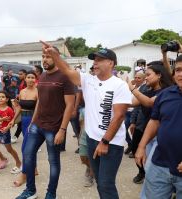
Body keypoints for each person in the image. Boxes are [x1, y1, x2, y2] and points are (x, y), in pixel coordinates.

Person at [41, 41, 131, 199]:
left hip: (111, 143)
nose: (95, 63)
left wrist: (105, 141)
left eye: (99, 60)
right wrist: (54, 54)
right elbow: (67, 69)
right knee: (99, 180)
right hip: (91, 139)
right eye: (94, 60)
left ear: (111, 63)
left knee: (106, 183)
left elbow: (119, 116)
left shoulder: (120, 85)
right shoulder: (88, 80)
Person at [16, 45, 75, 199]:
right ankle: (31, 190)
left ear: (56, 57)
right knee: (27, 155)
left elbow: (70, 105)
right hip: (37, 125)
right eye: (43, 56)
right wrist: (32, 122)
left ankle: (51, 193)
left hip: (54, 128)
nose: (44, 59)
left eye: (48, 56)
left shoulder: (65, 76)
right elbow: (40, 101)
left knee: (53, 162)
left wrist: (62, 130)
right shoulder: (41, 77)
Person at [135, 55, 182, 198]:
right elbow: (154, 121)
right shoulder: (166, 94)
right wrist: (141, 146)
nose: (181, 74)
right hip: (160, 164)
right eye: (178, 70)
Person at [128, 62, 173, 185]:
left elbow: (149, 103)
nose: (145, 77)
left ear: (159, 75)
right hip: (146, 130)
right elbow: (133, 103)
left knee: (152, 167)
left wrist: (132, 88)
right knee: (144, 161)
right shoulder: (145, 88)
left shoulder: (167, 91)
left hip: (160, 134)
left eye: (148, 74)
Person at [10, 70, 38, 187]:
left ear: (35, 79)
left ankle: (24, 174)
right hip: (24, 121)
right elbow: (20, 108)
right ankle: (34, 168)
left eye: (33, 77)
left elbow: (38, 109)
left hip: (33, 121)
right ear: (25, 79)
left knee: (25, 148)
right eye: (29, 77)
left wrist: (33, 122)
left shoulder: (38, 92)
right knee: (30, 147)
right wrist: (13, 119)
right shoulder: (22, 91)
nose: (31, 79)